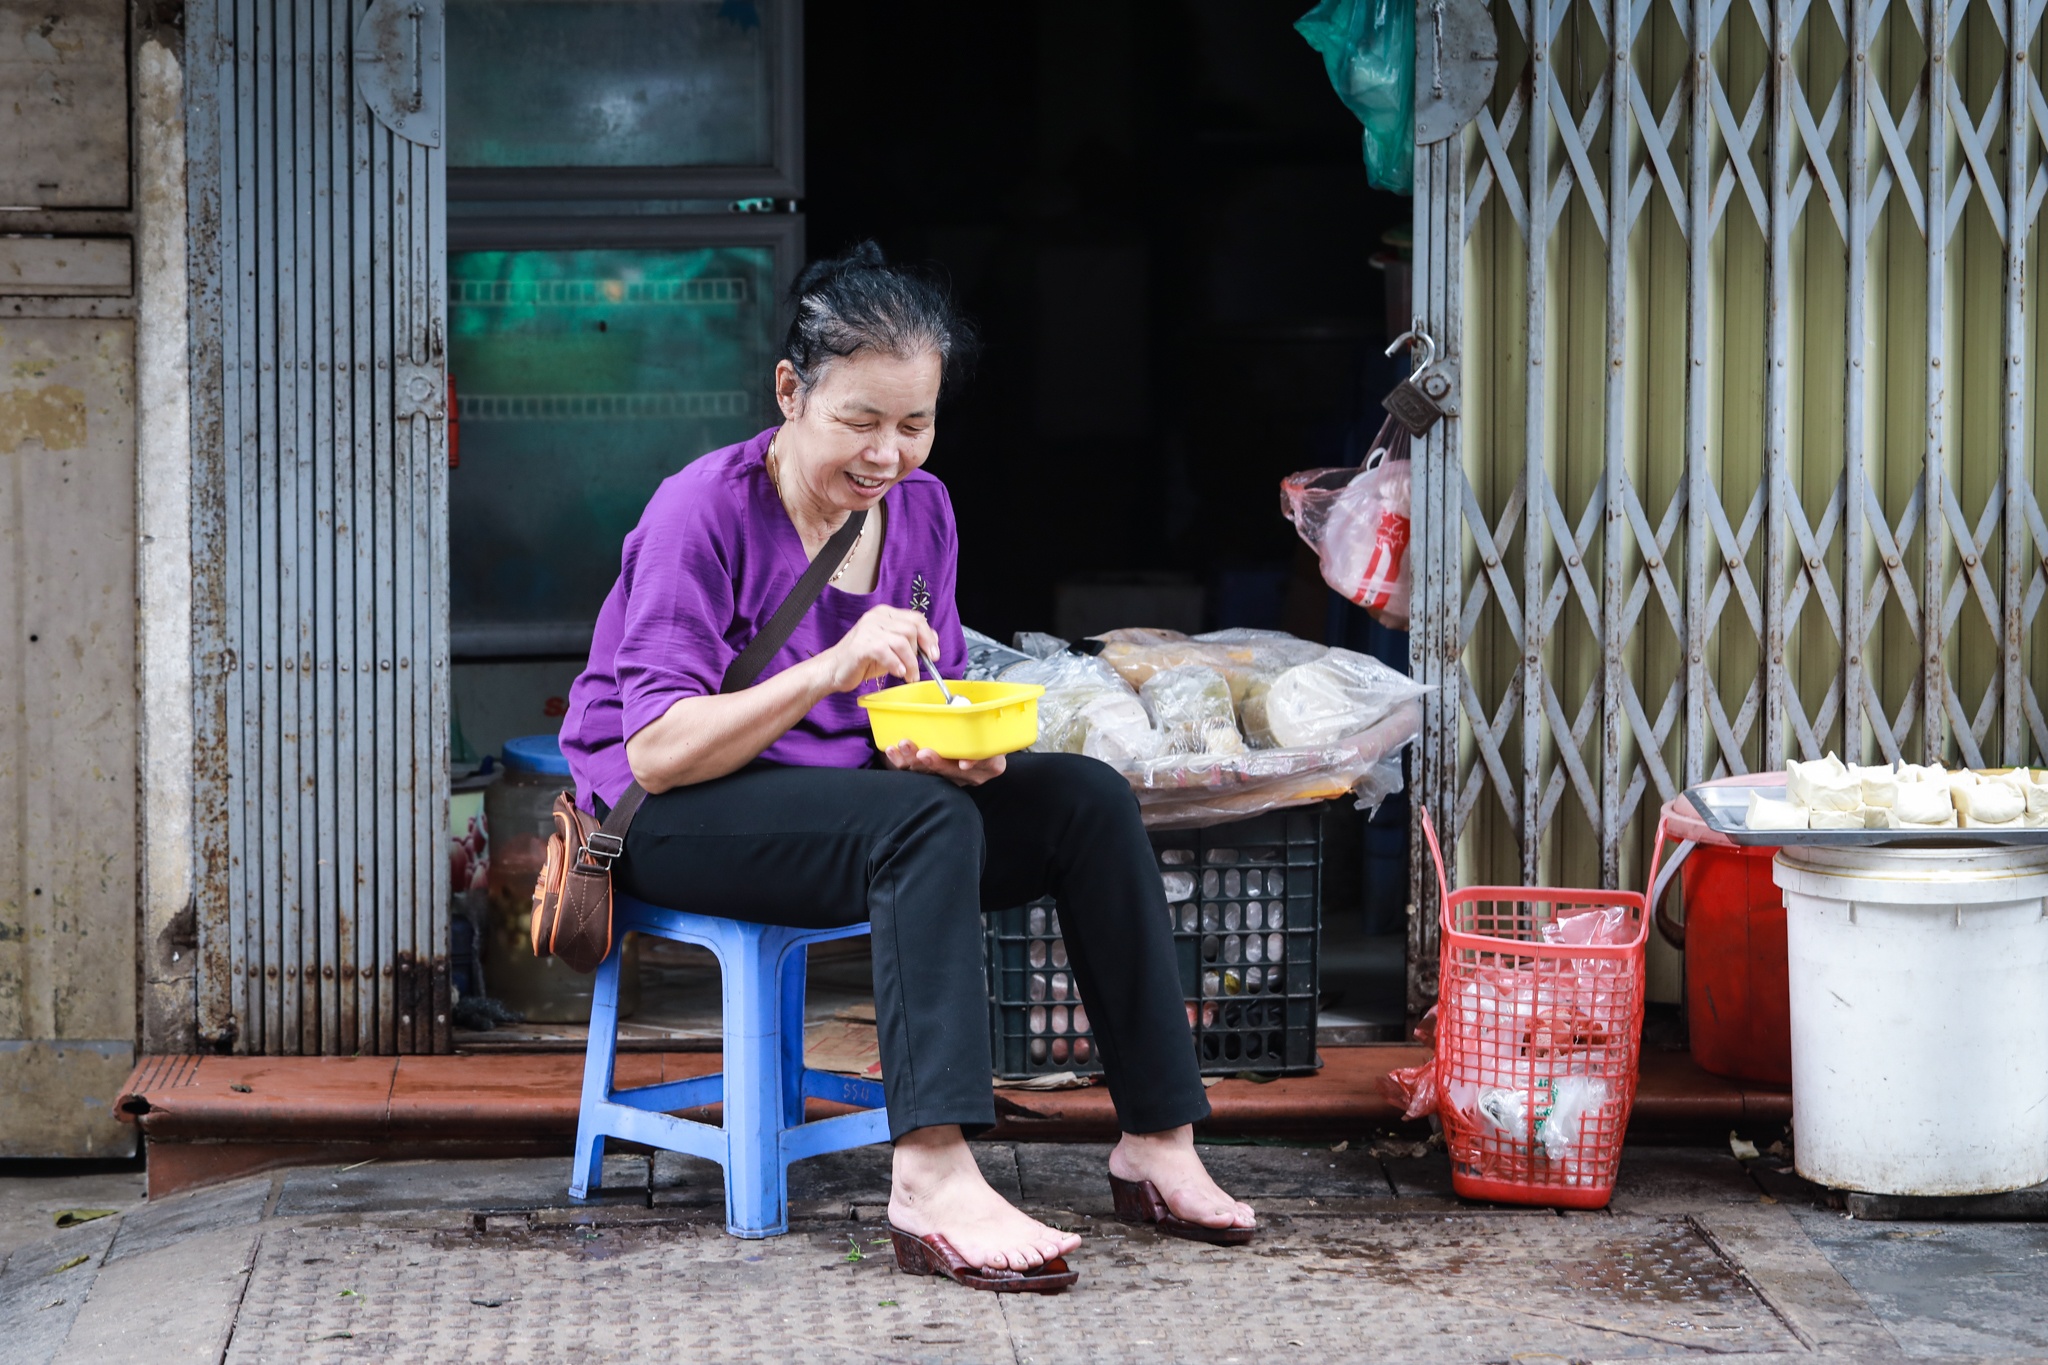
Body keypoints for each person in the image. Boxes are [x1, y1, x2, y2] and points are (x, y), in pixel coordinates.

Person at [560, 242, 1254, 1291]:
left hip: (836, 801)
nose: (888, 453)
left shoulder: (921, 511)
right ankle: (929, 1173)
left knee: (1084, 802)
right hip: (668, 812)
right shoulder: (700, 511)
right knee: (918, 828)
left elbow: (916, 701)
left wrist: (951, 750)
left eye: (914, 422)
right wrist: (828, 671)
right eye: (860, 420)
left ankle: (1157, 1140)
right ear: (790, 392)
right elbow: (658, 746)